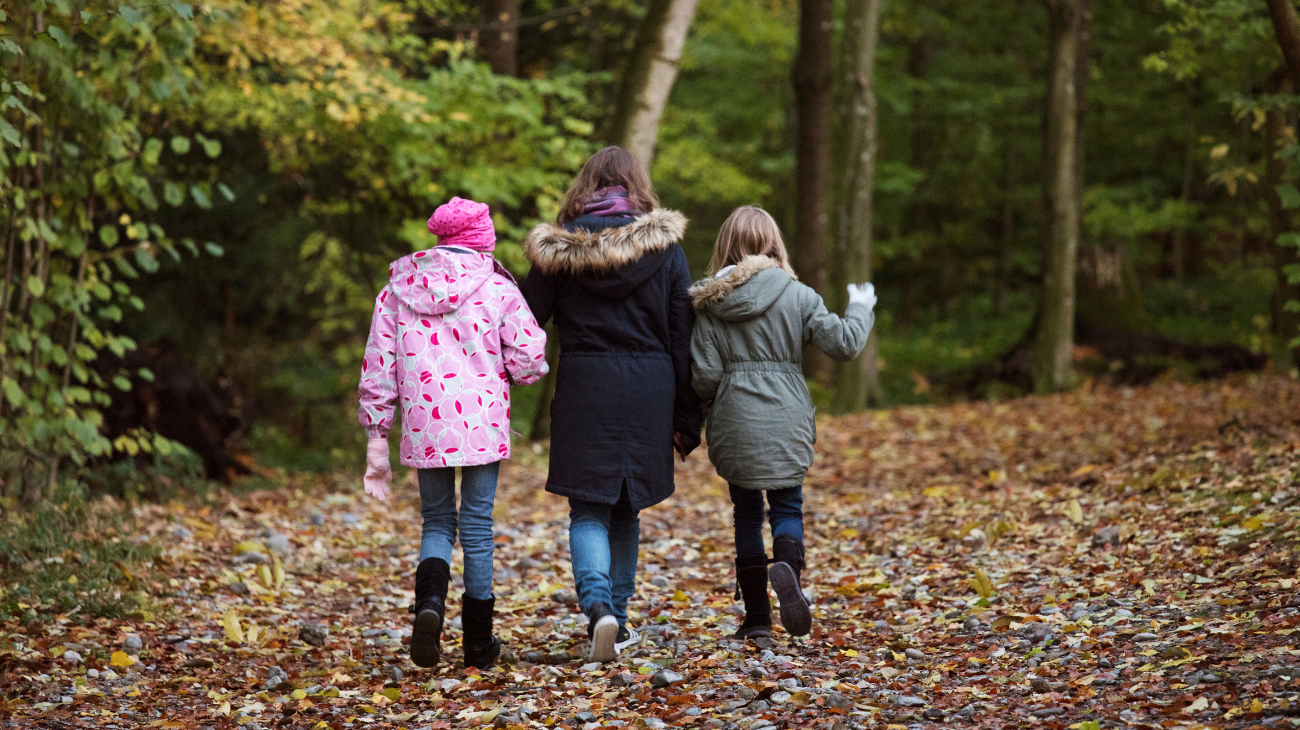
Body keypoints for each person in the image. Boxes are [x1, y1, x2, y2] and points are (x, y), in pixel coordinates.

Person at [520, 146, 703, 663]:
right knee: (627, 508)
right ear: (635, 186)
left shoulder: (557, 252)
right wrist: (687, 417)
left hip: (585, 384)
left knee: (588, 508)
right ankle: (616, 624)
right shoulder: (665, 248)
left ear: (586, 186)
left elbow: (526, 320)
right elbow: (681, 332)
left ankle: (599, 607)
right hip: (650, 385)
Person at [358, 197, 549, 669]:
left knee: (438, 521)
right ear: (481, 239)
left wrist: (377, 432)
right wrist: (518, 371)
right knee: (478, 526)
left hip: (426, 423)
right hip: (480, 421)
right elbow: (528, 357)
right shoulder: (498, 288)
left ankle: (429, 607)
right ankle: (478, 645)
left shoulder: (397, 289)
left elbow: (379, 367)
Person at [688, 206, 875, 639]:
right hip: (787, 416)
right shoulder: (799, 296)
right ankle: (788, 567)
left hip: (735, 420)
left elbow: (705, 377)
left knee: (746, 514)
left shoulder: (709, 304)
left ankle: (756, 620)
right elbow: (845, 344)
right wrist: (861, 306)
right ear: (774, 245)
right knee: (787, 506)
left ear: (725, 246)